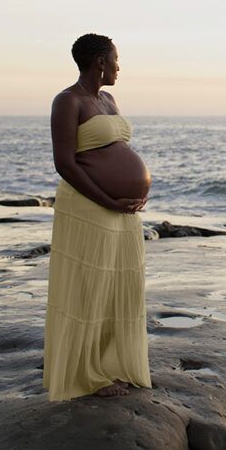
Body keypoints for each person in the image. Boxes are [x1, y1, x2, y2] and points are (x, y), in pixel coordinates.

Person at [43, 33, 153, 400]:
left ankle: (111, 365)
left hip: (121, 213)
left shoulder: (108, 99)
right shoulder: (67, 101)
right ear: (100, 62)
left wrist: (136, 191)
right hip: (88, 207)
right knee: (89, 288)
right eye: (116, 59)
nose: (120, 67)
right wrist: (107, 199)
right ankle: (86, 375)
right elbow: (65, 163)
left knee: (118, 289)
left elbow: (118, 149)